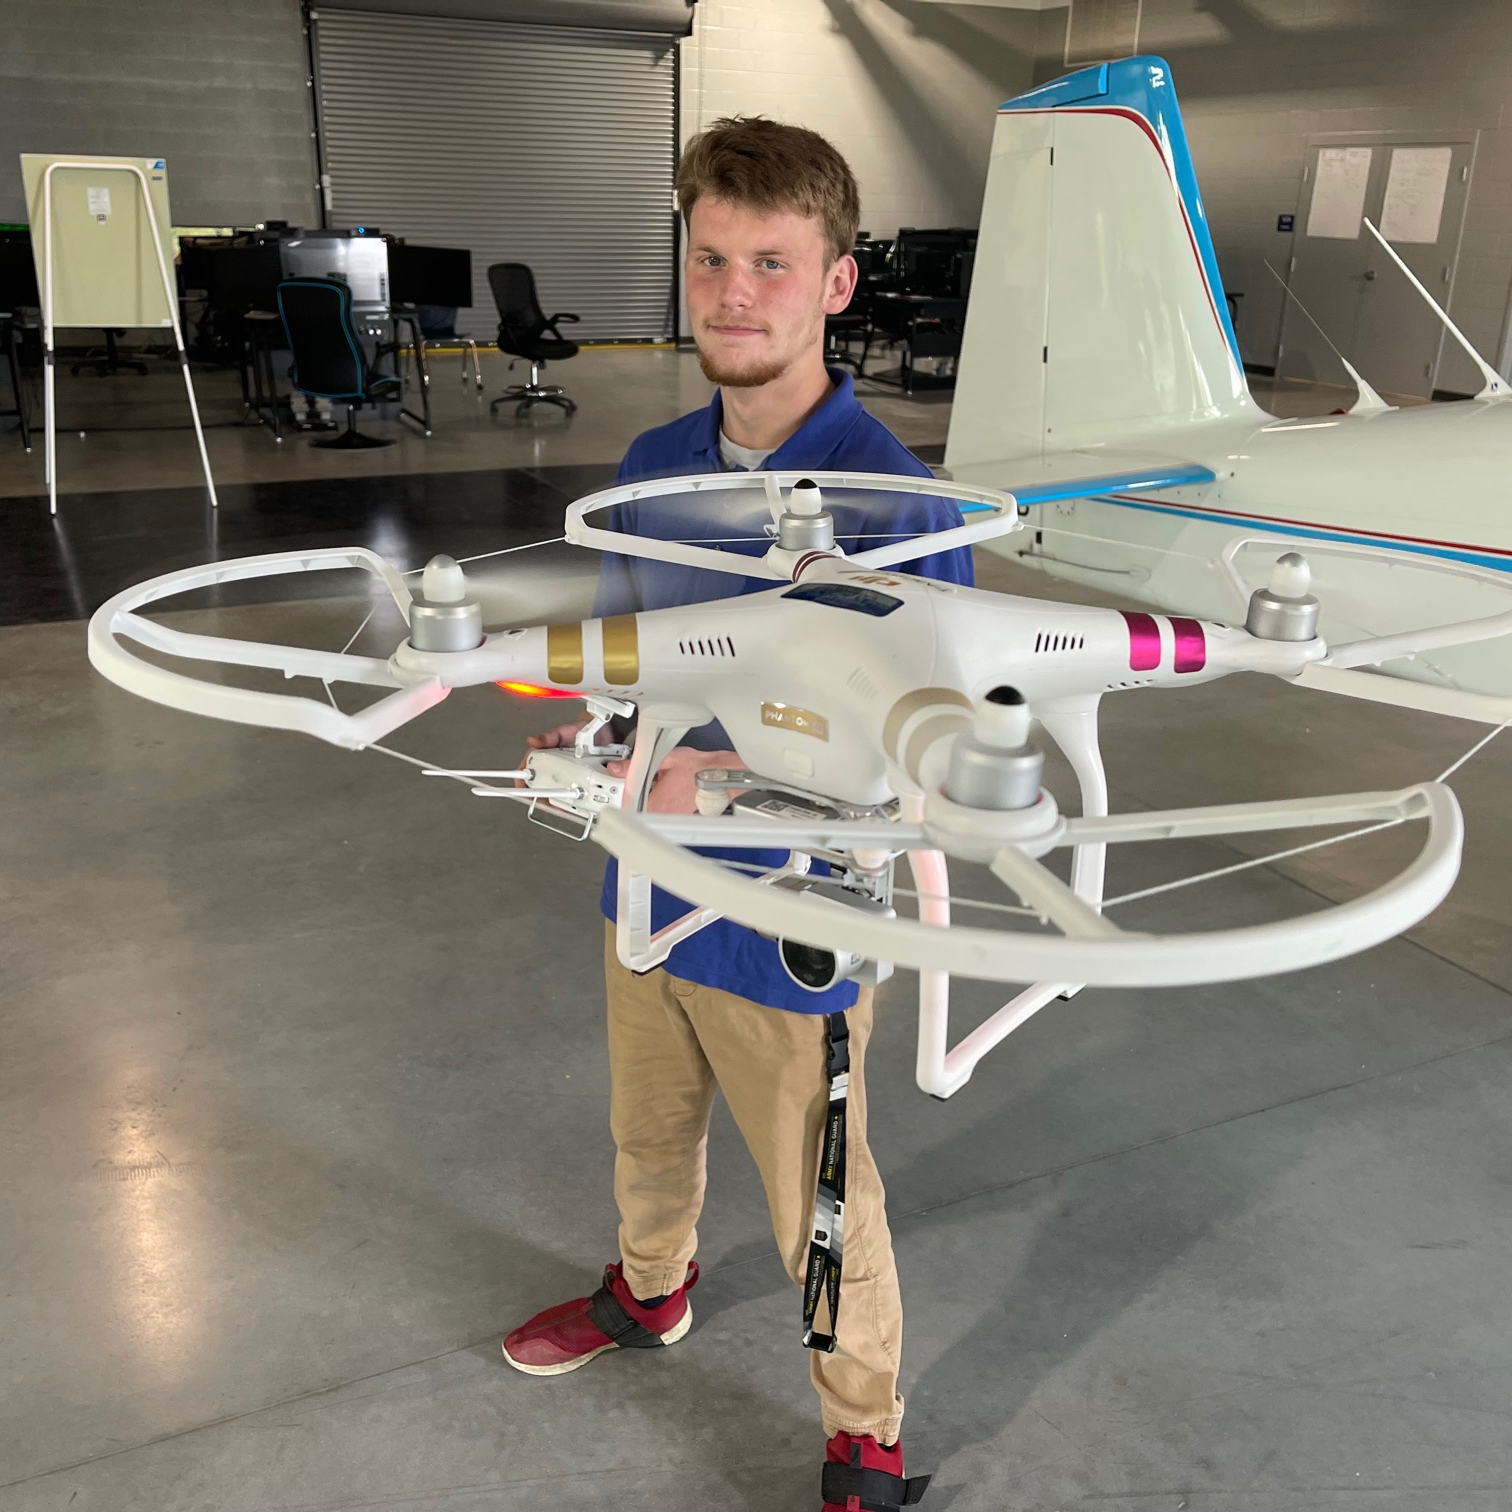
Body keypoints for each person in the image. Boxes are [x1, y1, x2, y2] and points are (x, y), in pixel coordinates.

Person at [502, 116, 972, 1512]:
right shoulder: (652, 462)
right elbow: (617, 658)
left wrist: (731, 774)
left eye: (773, 262)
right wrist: (593, 736)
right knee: (647, 1137)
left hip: (793, 919)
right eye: (711, 258)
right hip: (647, 884)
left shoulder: (898, 498)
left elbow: (921, 743)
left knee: (824, 1201)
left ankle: (863, 1435)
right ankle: (650, 1294)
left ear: (835, 282)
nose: (733, 292)